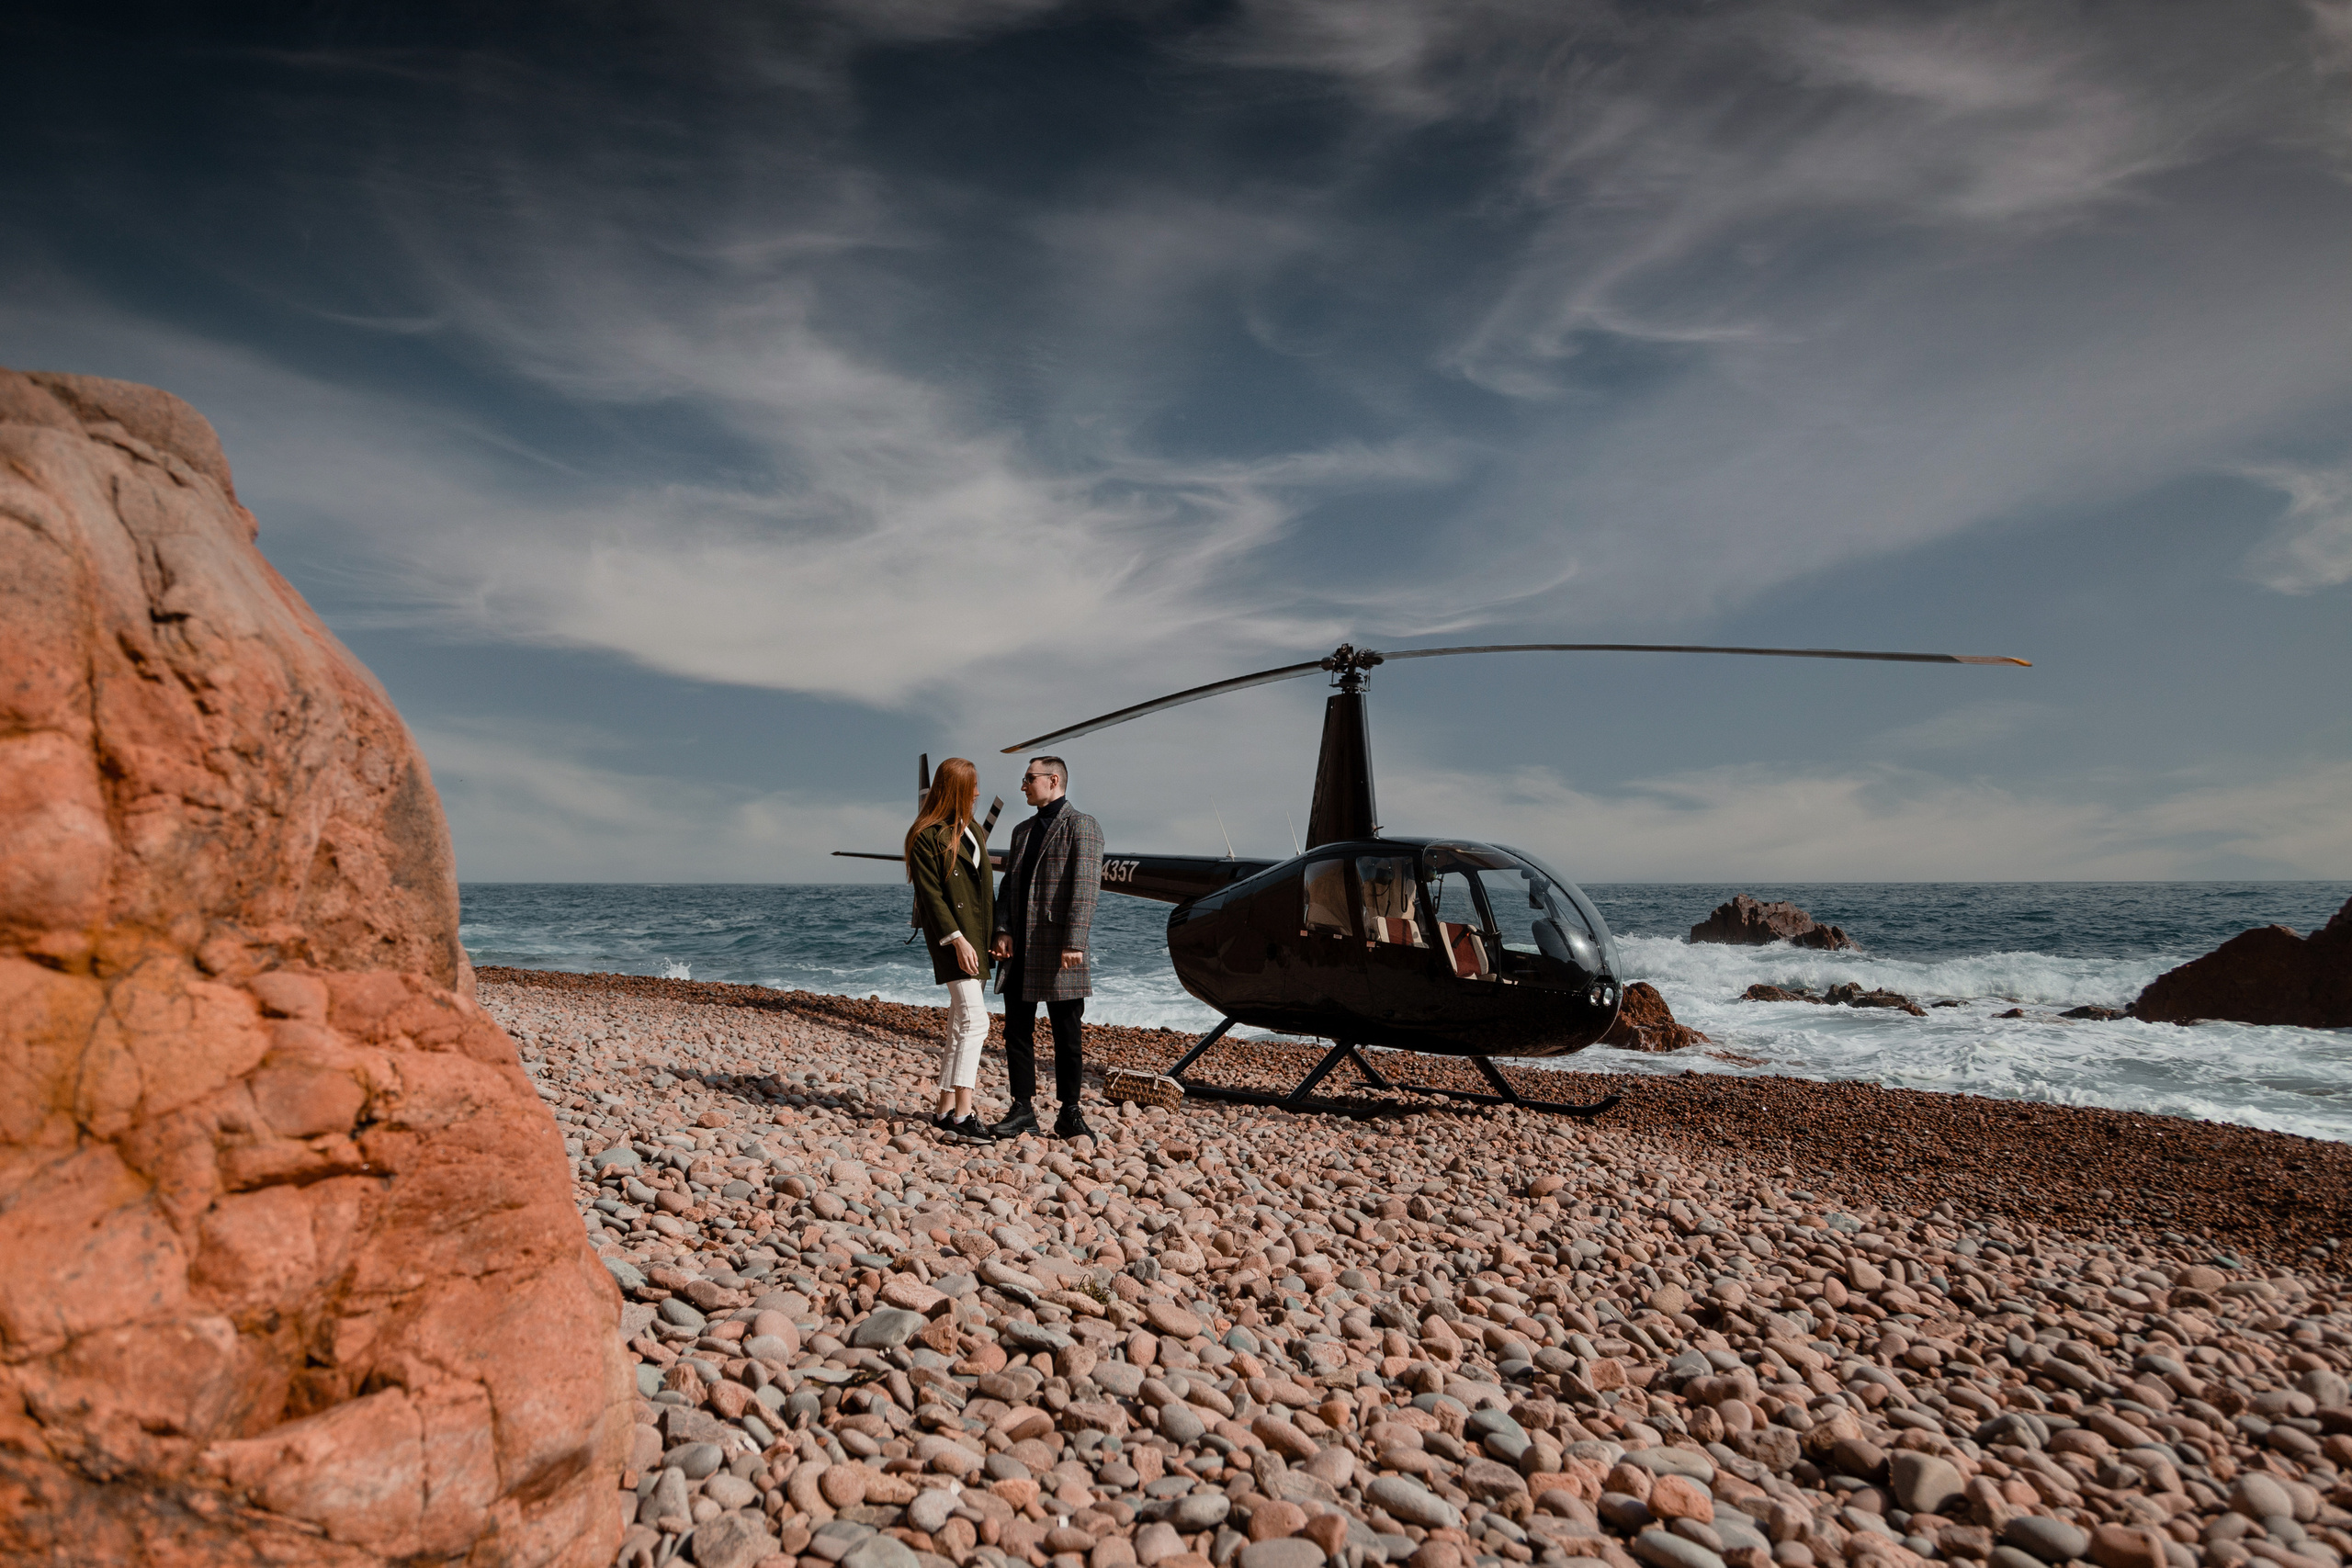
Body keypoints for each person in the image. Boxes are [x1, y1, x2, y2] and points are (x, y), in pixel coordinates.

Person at [987, 754, 1101, 1141]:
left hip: (1059, 950)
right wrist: (1001, 929)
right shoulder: (1021, 831)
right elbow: (1008, 887)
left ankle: (1070, 1111)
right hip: (1019, 951)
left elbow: (1085, 889)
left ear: (1053, 780)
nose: (1023, 786)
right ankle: (1022, 1110)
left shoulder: (1082, 826)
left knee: (1066, 1035)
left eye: (1029, 779)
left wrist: (1074, 941)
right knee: (1016, 1031)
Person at [905, 757, 997, 1143]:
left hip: (975, 939)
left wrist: (992, 939)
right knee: (977, 1022)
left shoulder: (971, 829)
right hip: (952, 941)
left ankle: (944, 1109)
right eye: (972, 786)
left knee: (961, 1023)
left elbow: (981, 894)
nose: (978, 792)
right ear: (956, 789)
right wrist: (957, 940)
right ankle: (963, 1114)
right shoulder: (925, 836)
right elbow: (931, 897)